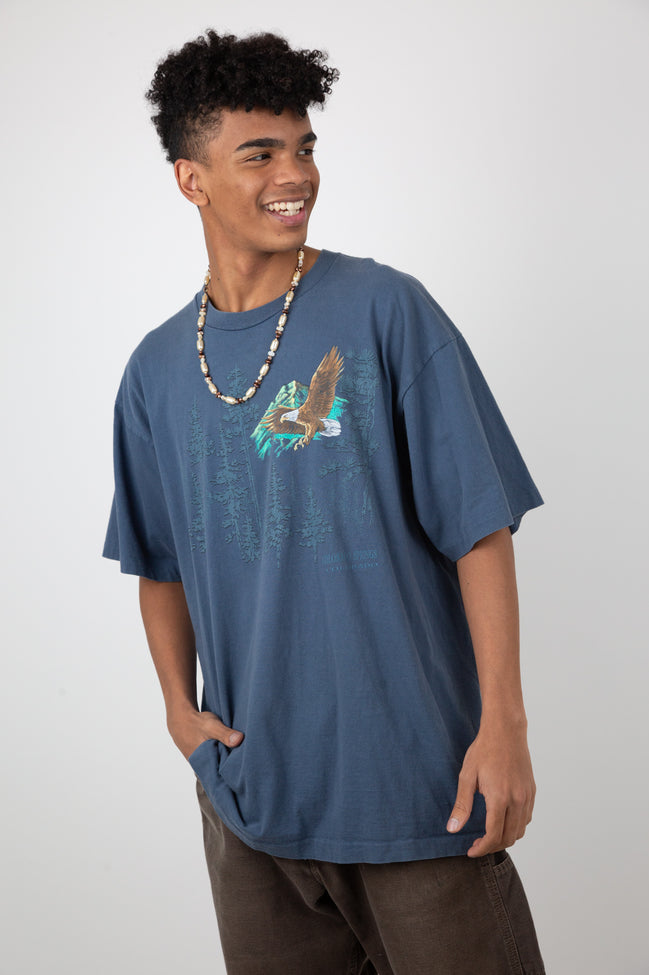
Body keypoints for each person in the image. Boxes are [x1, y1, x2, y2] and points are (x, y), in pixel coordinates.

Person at [103, 29, 546, 975]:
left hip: (421, 796)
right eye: (259, 154)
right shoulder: (154, 371)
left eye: (304, 147)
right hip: (252, 807)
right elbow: (158, 561)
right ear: (191, 180)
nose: (294, 174)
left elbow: (479, 526)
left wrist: (503, 723)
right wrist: (179, 710)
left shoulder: (387, 310)